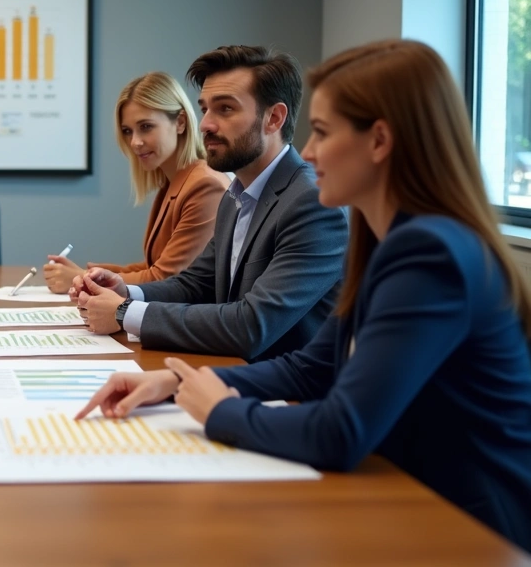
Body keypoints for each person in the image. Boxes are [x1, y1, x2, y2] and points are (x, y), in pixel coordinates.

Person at [76, 40, 531, 552]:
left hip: (465, 527)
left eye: (322, 132)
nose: (309, 153)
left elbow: (342, 431)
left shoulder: (430, 255)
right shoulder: (386, 240)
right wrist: (179, 382)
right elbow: (312, 368)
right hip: (405, 493)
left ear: (379, 141)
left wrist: (221, 411)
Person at [73, 45, 348, 361]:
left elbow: (251, 326)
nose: (205, 124)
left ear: (274, 118)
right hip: (232, 375)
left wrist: (125, 312)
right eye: (205, 109)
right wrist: (127, 292)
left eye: (225, 109)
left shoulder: (313, 204)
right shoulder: (237, 194)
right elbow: (196, 283)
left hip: (287, 396)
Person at [44, 72, 229, 292]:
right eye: (127, 131)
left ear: (180, 122)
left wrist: (83, 277)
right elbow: (154, 266)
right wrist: (90, 274)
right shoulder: (173, 183)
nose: (135, 142)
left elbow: (166, 278)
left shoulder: (204, 186)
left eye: (146, 127)